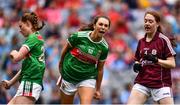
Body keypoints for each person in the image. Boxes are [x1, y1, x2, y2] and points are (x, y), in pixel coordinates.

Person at [56, 15, 111, 104]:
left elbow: (100, 69)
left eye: (106, 26)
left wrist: (98, 89)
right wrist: (61, 64)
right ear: (94, 25)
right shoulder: (78, 36)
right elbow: (65, 50)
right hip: (69, 74)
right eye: (100, 24)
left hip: (87, 77)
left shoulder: (104, 47)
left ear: (108, 29)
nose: (103, 27)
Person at [127, 10, 176, 104]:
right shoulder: (141, 41)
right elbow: (138, 59)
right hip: (142, 83)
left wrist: (156, 60)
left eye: (150, 21)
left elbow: (172, 63)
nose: (147, 23)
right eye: (145, 21)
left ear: (157, 24)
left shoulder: (163, 40)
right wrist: (136, 64)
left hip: (161, 84)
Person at [0, 12, 45, 104]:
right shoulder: (37, 37)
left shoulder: (32, 38)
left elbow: (16, 58)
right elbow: (25, 68)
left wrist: (13, 52)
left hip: (30, 82)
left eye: (21, 26)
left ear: (28, 24)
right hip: (27, 81)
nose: (19, 30)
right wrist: (11, 83)